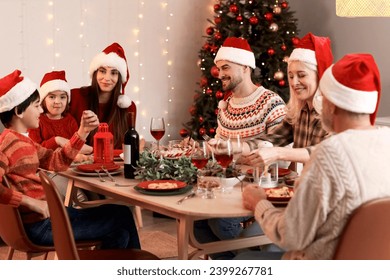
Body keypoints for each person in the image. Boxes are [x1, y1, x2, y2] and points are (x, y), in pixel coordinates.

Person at [236, 53, 390, 260]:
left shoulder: (329, 154)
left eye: (323, 97)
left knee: (242, 261)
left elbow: (290, 236)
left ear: (332, 103)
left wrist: (259, 203)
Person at [0, 70, 140, 249]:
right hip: (40, 227)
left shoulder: (23, 141)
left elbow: (56, 162)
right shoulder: (8, 143)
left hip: (48, 219)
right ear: (19, 110)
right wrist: (31, 202)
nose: (41, 110)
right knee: (121, 216)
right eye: (36, 106)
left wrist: (82, 132)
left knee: (120, 226)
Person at [193, 37, 286, 259]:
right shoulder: (226, 106)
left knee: (219, 220)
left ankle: (242, 259)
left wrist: (240, 156)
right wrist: (207, 148)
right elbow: (220, 152)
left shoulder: (271, 102)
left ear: (245, 68)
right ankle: (237, 260)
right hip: (229, 185)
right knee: (197, 223)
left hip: (260, 186)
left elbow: (280, 154)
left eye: (226, 67)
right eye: (218, 68)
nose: (219, 73)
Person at [242, 32, 333, 169]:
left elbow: (325, 152)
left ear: (319, 76)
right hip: (299, 185)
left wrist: (278, 153)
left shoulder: (334, 113)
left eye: (301, 75)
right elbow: (274, 138)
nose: (294, 82)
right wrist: (233, 147)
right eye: (290, 76)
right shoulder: (298, 111)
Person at [69, 42, 136, 149]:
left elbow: (126, 148)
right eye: (102, 71)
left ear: (120, 78)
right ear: (95, 73)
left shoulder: (128, 107)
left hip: (116, 164)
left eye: (113, 73)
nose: (107, 78)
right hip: (79, 163)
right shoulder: (75, 97)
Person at [28, 70, 92, 162]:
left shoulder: (70, 120)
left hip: (70, 167)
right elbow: (36, 150)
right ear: (43, 99)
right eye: (52, 97)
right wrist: (57, 140)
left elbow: (77, 146)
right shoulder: (36, 120)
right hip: (45, 167)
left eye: (62, 97)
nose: (57, 102)